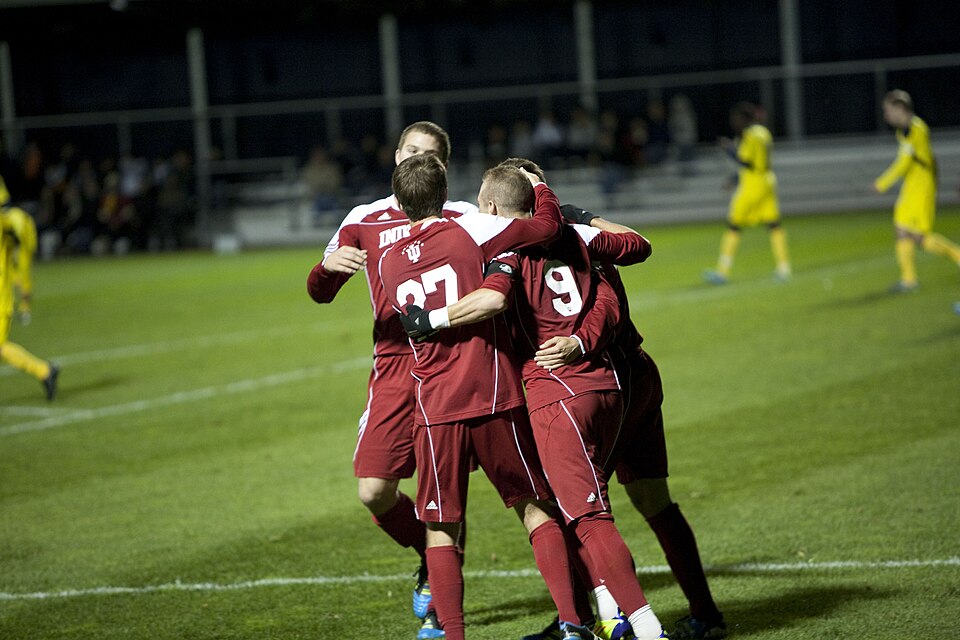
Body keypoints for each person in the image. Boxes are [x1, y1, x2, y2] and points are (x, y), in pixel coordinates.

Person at [399, 160, 668, 640]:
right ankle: (597, 617)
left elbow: (495, 298)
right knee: (573, 507)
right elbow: (636, 249)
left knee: (583, 514)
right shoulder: (576, 237)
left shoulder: (504, 248)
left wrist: (432, 319)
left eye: (484, 203)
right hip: (607, 383)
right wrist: (568, 209)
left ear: (496, 207)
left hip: (545, 392)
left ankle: (637, 628)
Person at [380, 155, 594, 640]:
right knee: (535, 506)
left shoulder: (387, 260)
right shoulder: (474, 230)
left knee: (440, 527)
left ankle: (453, 634)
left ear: (399, 203)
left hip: (434, 405)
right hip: (493, 390)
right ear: (444, 191)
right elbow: (542, 229)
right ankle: (572, 622)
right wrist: (538, 187)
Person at [307, 121, 476, 639]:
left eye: (427, 154)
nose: (415, 159)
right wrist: (328, 268)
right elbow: (320, 290)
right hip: (396, 370)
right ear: (396, 154)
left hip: (459, 363)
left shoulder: (466, 217)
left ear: (441, 165)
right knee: (375, 491)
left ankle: (455, 616)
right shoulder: (364, 218)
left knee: (473, 492)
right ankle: (432, 556)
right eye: (409, 150)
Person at [873, 89, 960, 293]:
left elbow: (904, 163)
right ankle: (909, 280)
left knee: (920, 237)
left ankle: (957, 255)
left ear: (901, 108)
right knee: (902, 229)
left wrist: (882, 183)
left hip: (921, 188)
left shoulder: (917, 129)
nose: (886, 115)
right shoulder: (902, 132)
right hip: (912, 186)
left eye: (888, 110)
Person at [704, 102, 791, 285]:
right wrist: (734, 179)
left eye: (736, 119)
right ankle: (784, 267)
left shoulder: (750, 136)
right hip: (767, 180)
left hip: (752, 185)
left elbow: (745, 162)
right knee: (774, 225)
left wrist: (728, 149)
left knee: (734, 226)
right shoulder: (763, 132)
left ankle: (722, 272)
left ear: (744, 119)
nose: (734, 122)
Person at [1, 178, 58, 401]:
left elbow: (21, 252)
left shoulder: (11, 221)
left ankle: (44, 371)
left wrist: (24, 292)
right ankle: (45, 371)